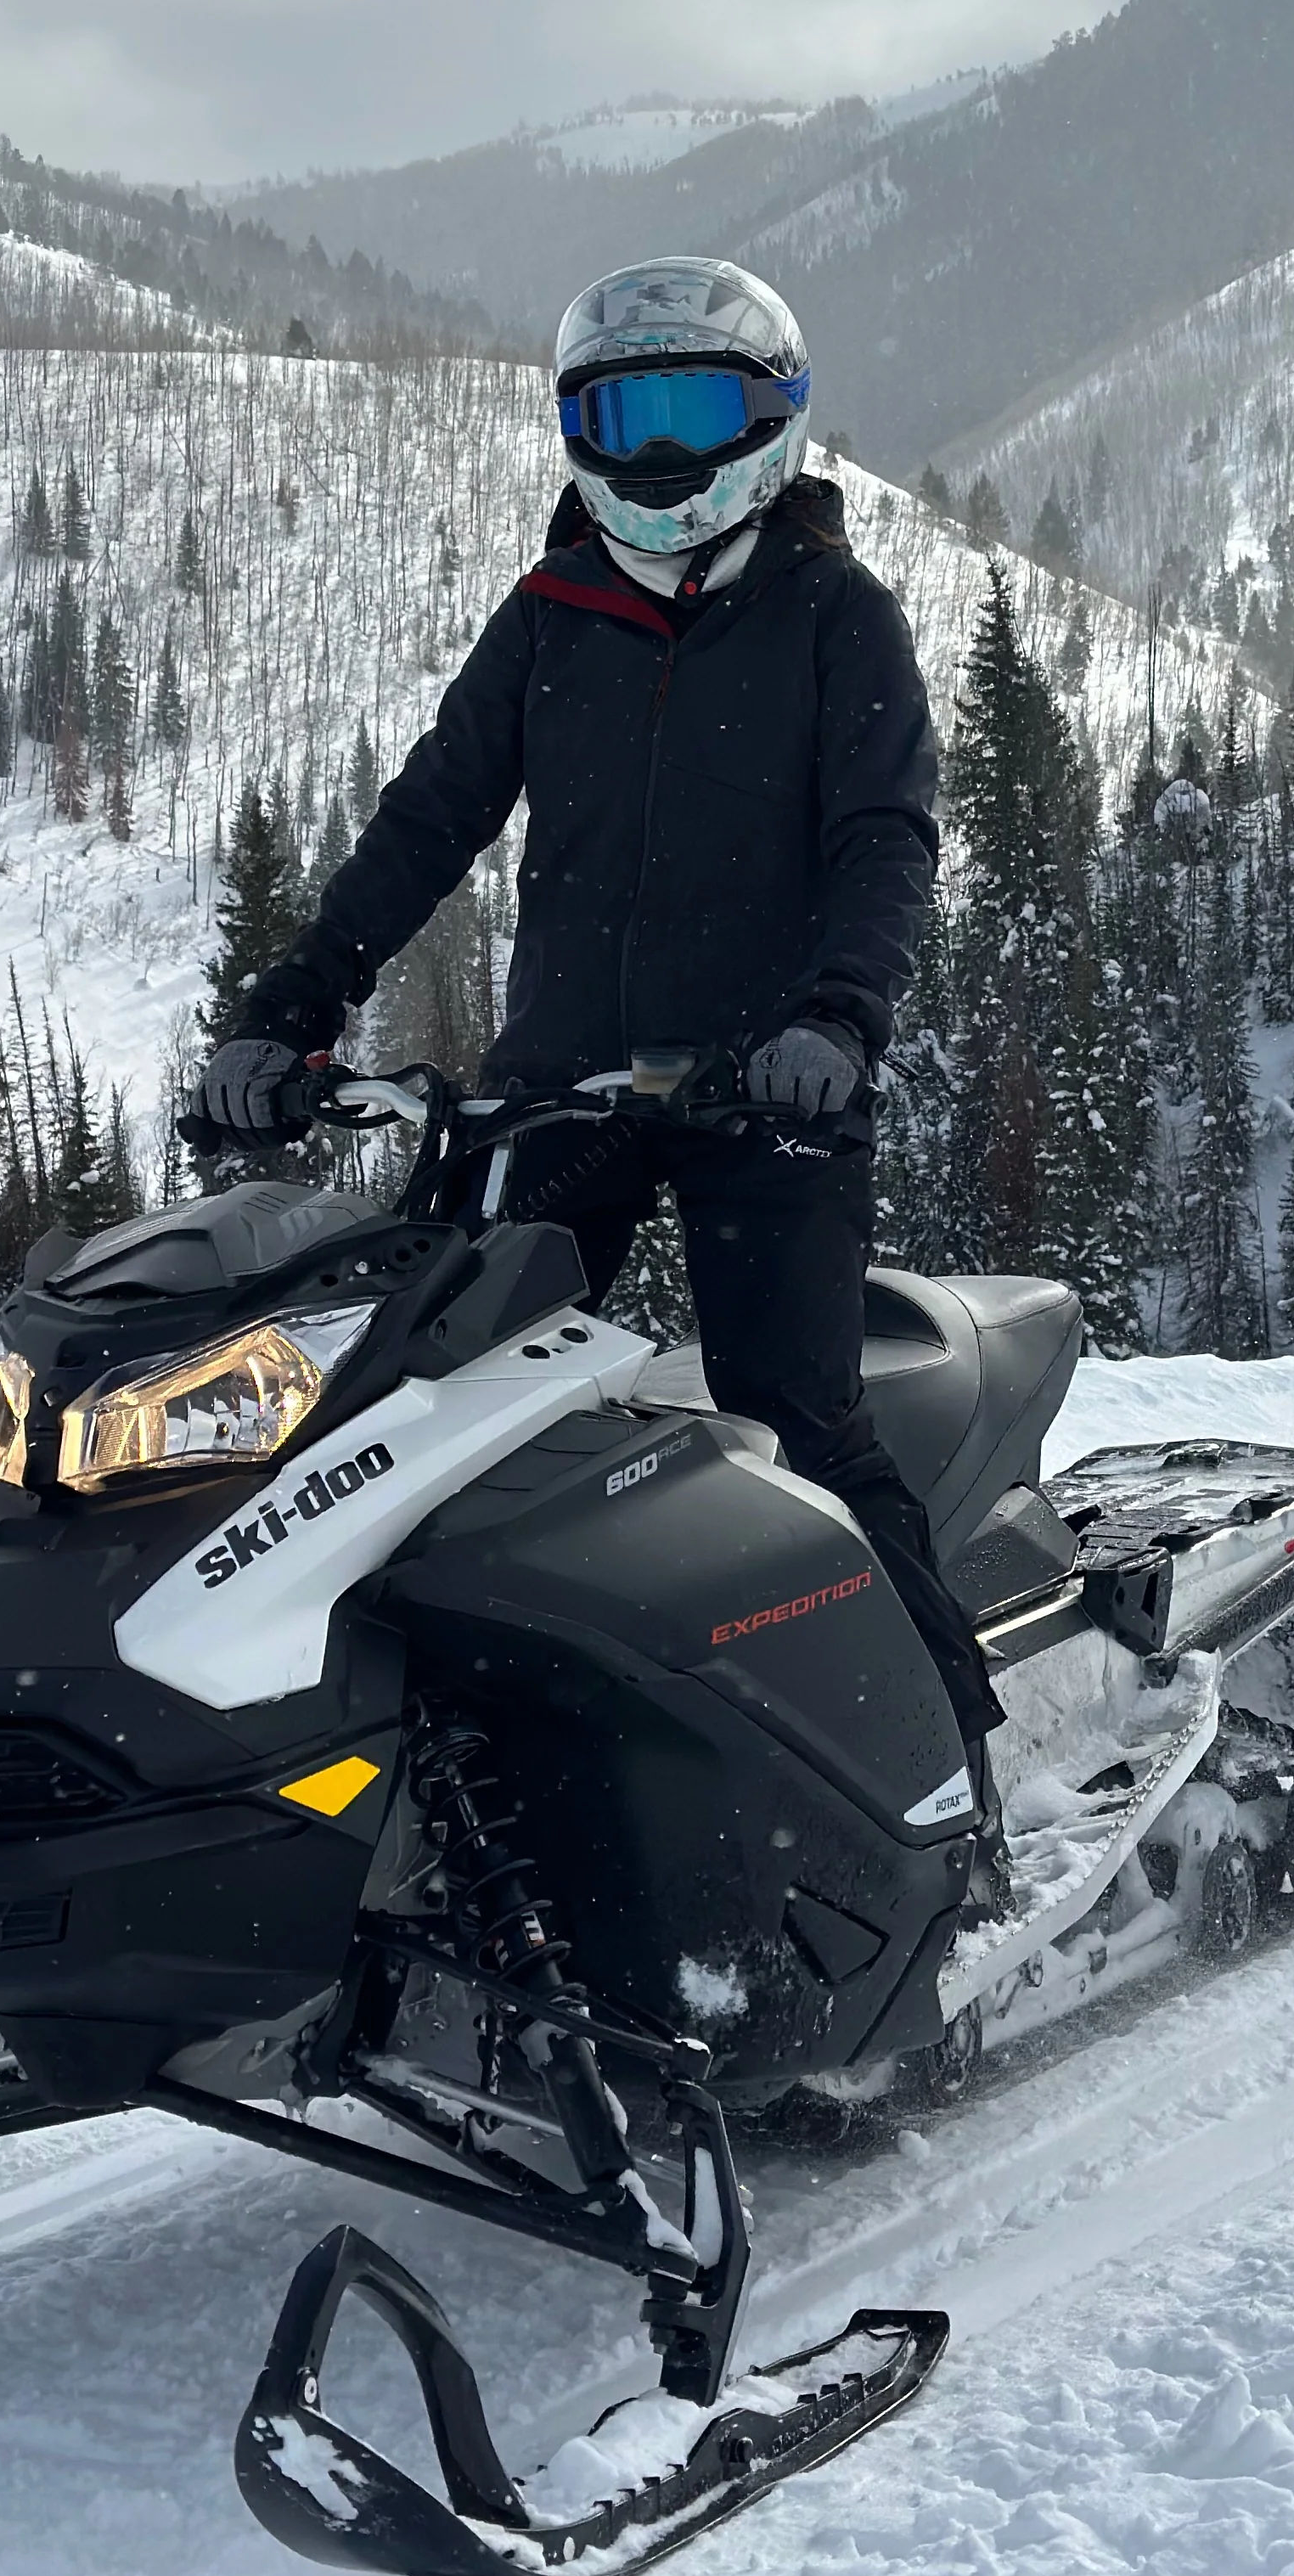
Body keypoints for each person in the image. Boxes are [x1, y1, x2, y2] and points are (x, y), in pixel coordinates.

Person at [185, 255, 1005, 1888]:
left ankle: (950, 1794)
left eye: (688, 411)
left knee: (794, 1419)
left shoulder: (840, 615)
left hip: (763, 1096)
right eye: (615, 414)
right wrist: (296, 1002)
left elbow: (882, 841)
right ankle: (439, 1803)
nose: (650, 455)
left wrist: (835, 1026)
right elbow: (428, 820)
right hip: (556, 1090)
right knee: (420, 1415)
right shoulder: (556, 612)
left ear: (768, 420)